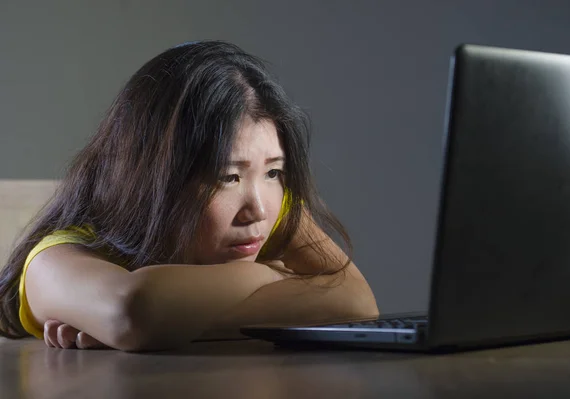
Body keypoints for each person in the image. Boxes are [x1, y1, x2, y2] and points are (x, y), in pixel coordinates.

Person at [0, 40, 379, 351]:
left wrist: (175, 323)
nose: (259, 210)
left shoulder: (271, 213)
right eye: (228, 177)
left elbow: (357, 304)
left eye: (273, 172)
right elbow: (136, 312)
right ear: (154, 180)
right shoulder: (52, 260)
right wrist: (273, 274)